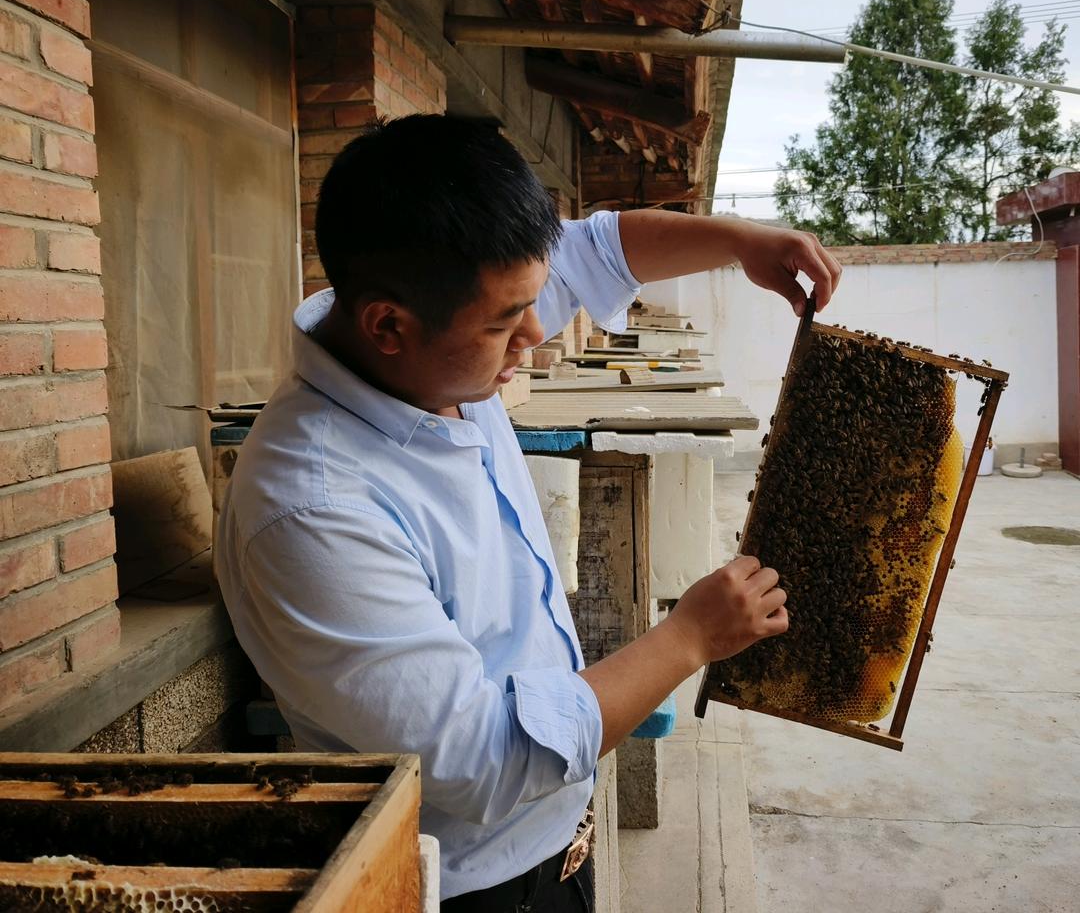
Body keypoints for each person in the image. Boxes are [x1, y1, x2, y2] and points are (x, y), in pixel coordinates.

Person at [215, 115, 842, 911]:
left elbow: (598, 248)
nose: (538, 336)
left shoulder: (432, 337)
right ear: (387, 325)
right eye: (507, 321)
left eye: (533, 301)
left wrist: (741, 240)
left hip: (554, 850)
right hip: (471, 889)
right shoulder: (312, 510)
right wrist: (688, 638)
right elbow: (483, 758)